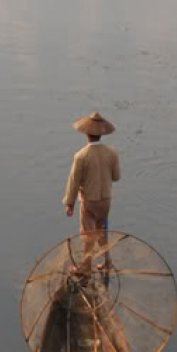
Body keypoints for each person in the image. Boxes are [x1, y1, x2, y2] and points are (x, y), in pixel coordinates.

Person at [63, 111, 121, 263]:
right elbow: (116, 177)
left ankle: (86, 267)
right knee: (101, 231)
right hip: (106, 200)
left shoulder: (81, 155)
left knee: (88, 234)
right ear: (101, 134)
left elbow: (73, 182)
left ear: (87, 133)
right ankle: (107, 262)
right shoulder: (112, 152)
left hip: (89, 201)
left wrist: (70, 203)